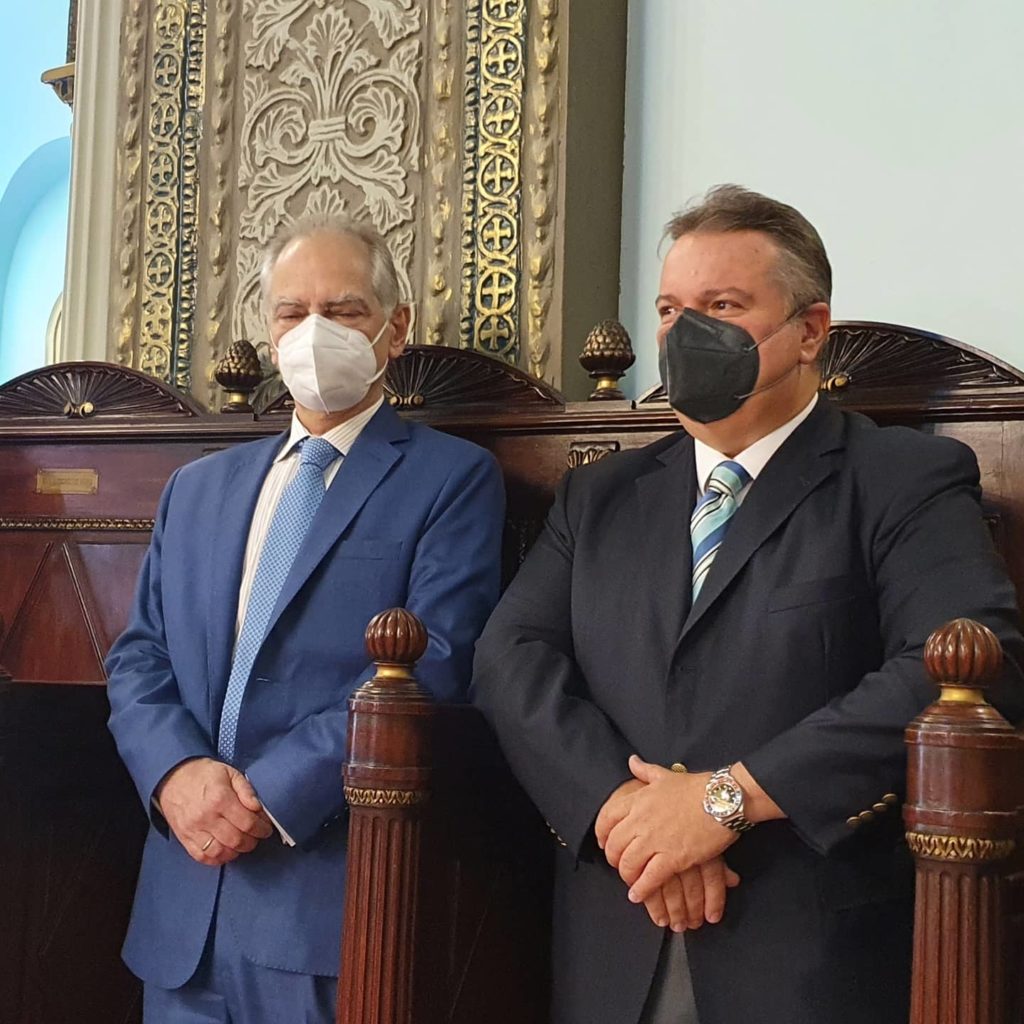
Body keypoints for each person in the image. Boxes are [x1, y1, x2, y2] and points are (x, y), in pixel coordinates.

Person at [471, 185, 1024, 1024]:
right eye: (670, 310)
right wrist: (629, 815)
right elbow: (509, 660)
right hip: (618, 933)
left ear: (810, 330)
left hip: (808, 951)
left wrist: (724, 801)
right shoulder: (599, 496)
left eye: (722, 306)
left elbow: (967, 666)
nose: (686, 334)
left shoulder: (899, 479)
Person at [106, 214, 505, 1023]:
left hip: (324, 909)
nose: (314, 331)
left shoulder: (452, 479)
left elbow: (432, 662)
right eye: (292, 312)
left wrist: (265, 796)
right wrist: (176, 776)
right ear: (268, 328)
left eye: (344, 310)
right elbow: (140, 655)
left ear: (395, 329)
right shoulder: (198, 487)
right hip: (183, 905)